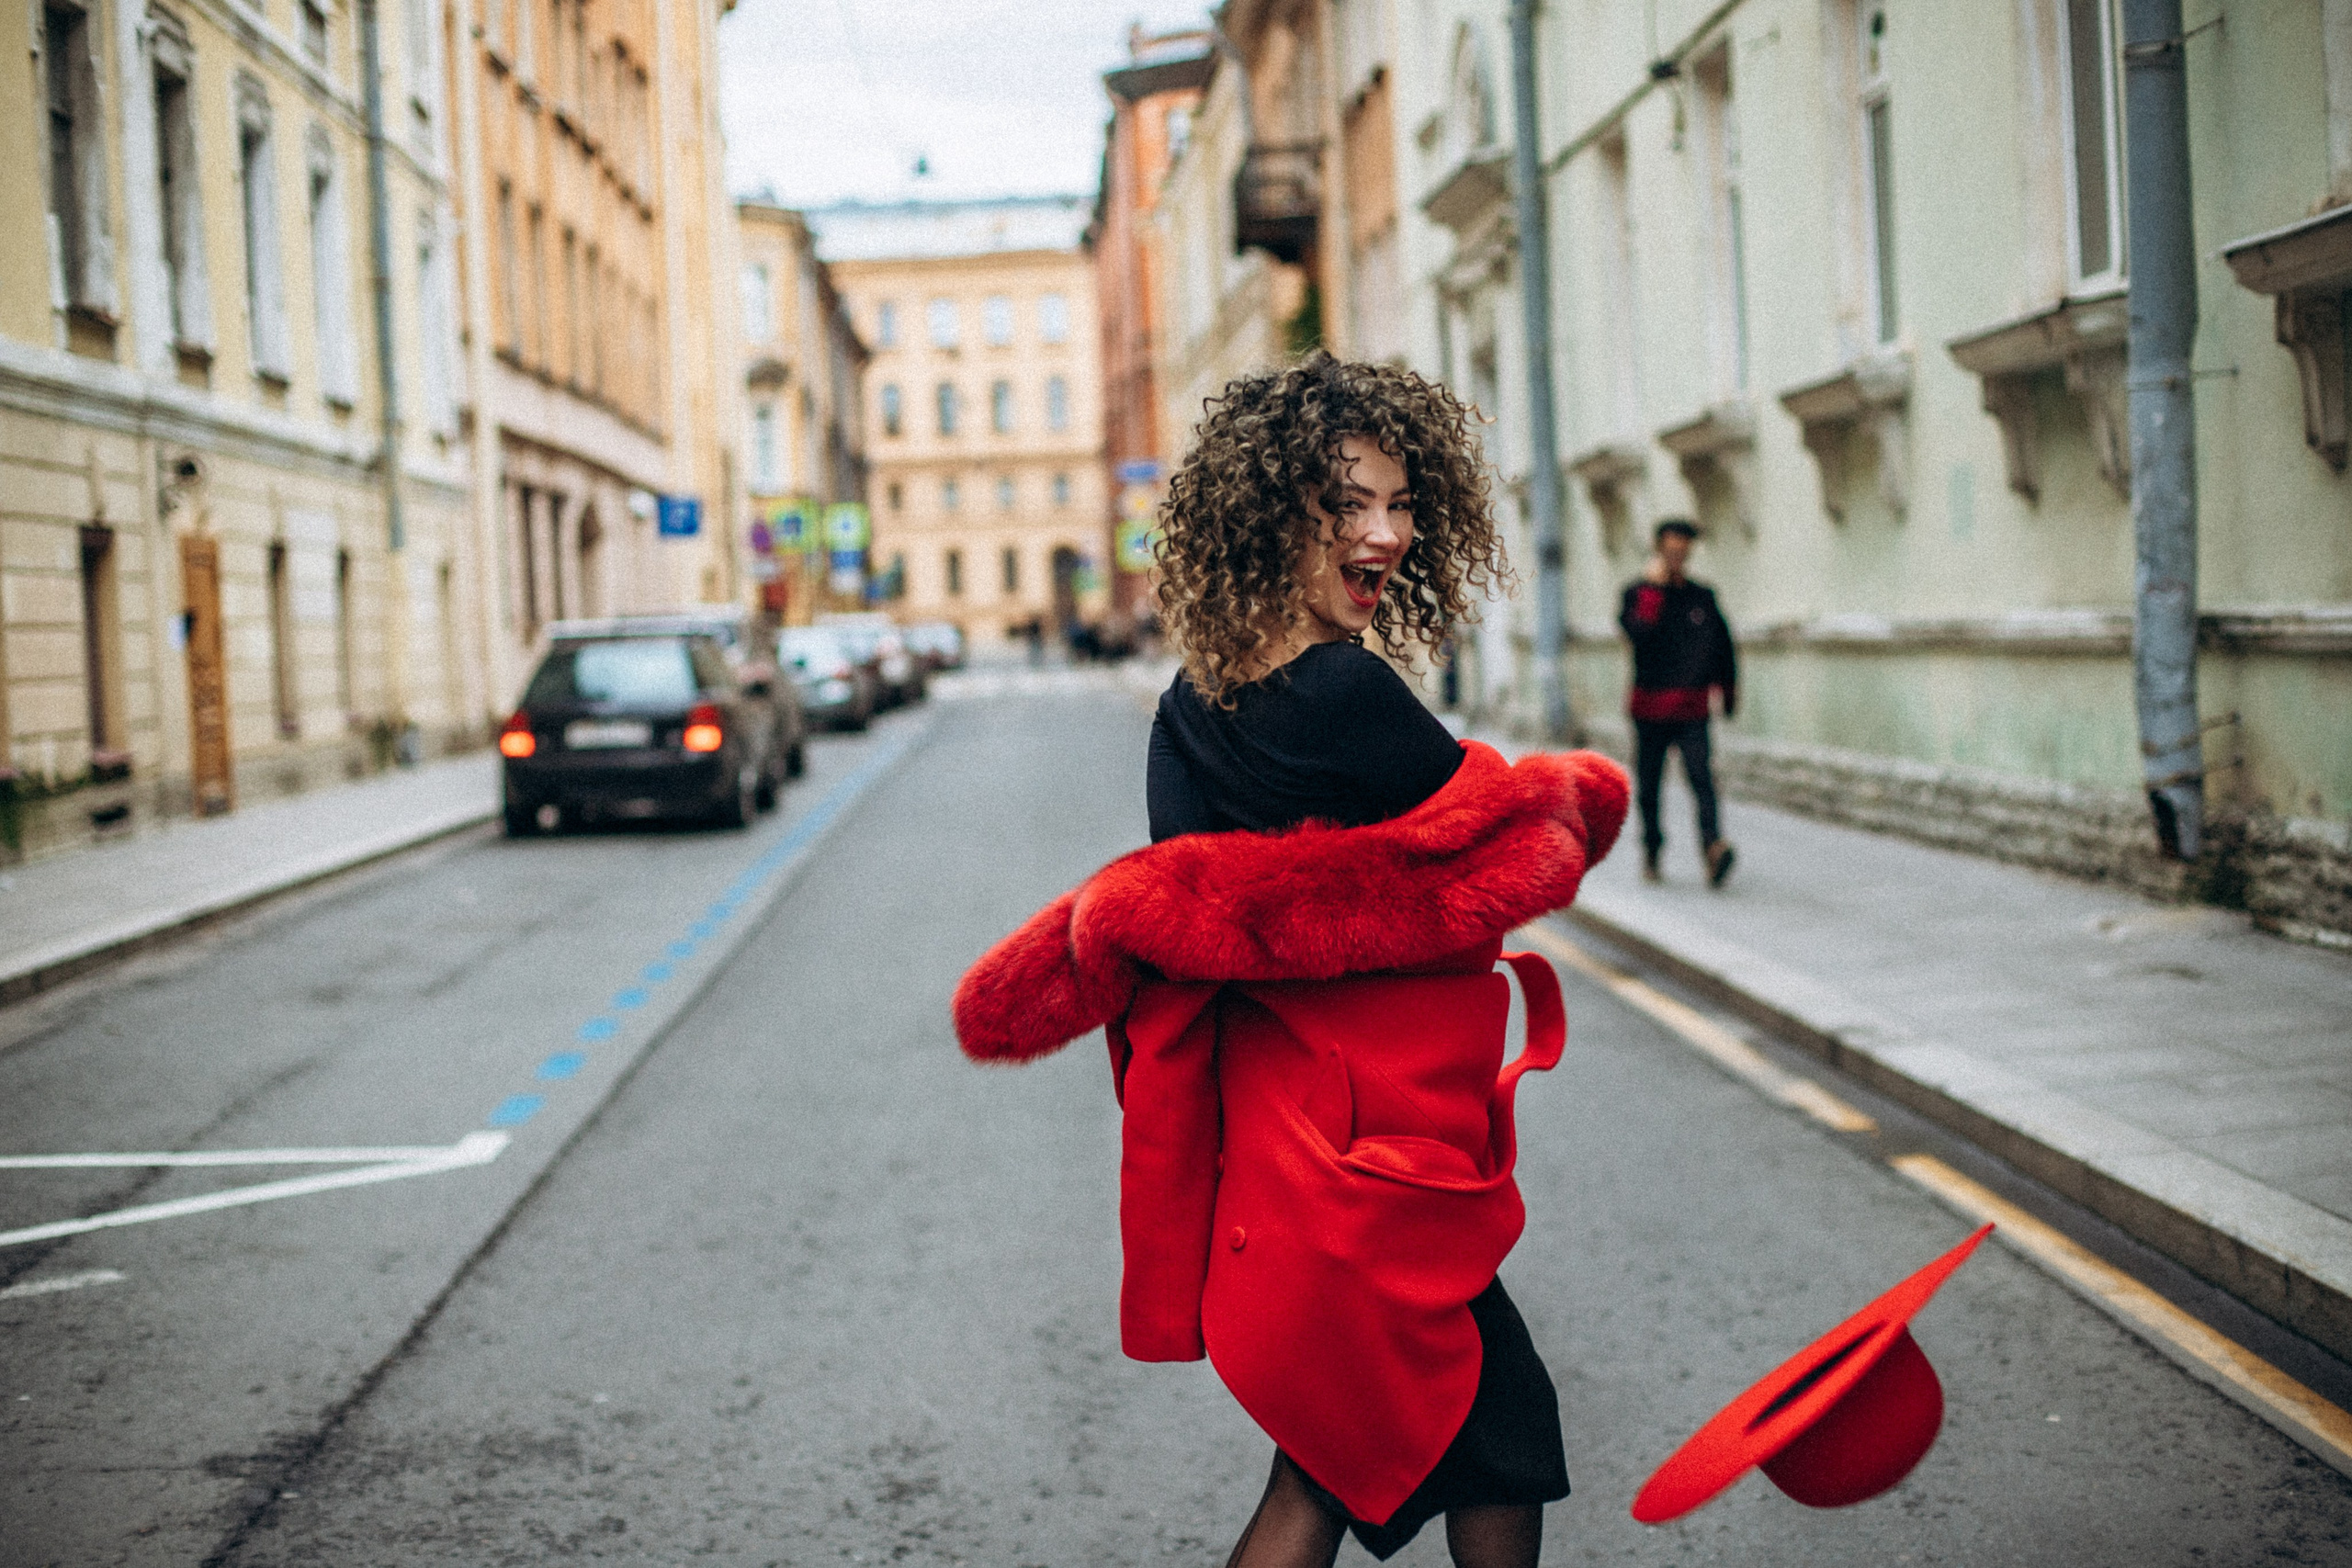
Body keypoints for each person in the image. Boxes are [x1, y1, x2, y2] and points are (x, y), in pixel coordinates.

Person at [954, 354, 1629, 1568]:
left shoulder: (1191, 703)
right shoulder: (1345, 693)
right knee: (1485, 1437)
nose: (1388, 534)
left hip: (1284, 1171)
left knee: (1349, 1462)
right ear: (1277, 518)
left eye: (1402, 504)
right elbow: (1510, 845)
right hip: (1377, 1167)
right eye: (1349, 506)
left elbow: (1206, 930)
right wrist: (1577, 794)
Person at [1619, 519, 1737, 886]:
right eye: (1671, 549)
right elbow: (1637, 634)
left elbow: (1723, 646)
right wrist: (1653, 590)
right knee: (1649, 785)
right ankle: (1652, 851)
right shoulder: (1637, 593)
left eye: (1683, 550)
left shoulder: (1702, 597)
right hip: (1650, 708)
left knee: (1703, 780)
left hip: (1692, 708)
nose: (1677, 556)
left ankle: (1712, 847)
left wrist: (1728, 691)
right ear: (1659, 549)